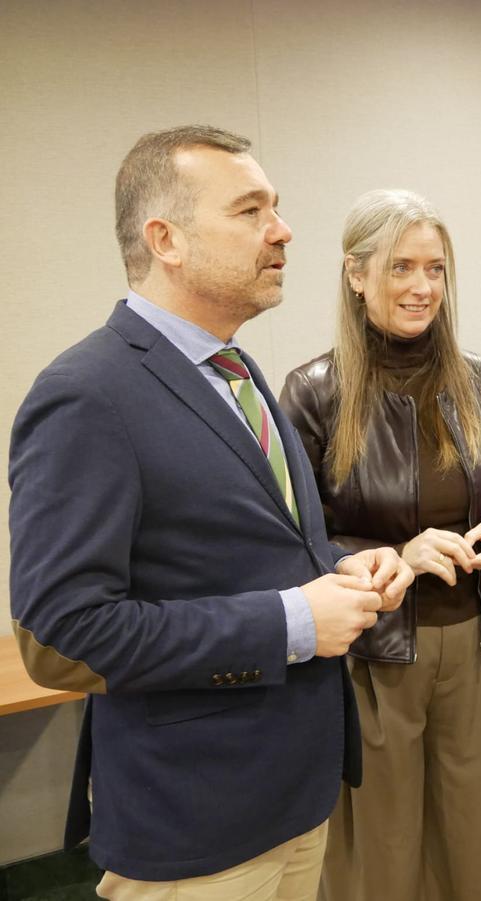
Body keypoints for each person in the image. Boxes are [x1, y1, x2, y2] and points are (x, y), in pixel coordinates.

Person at [8, 125, 413, 900]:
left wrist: (339, 568)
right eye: (251, 210)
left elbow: (254, 551)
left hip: (296, 794)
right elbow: (61, 636)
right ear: (166, 239)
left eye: (277, 207)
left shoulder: (234, 367)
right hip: (197, 823)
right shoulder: (87, 393)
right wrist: (294, 620)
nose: (283, 229)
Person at [280, 188, 481, 901]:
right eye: (401, 267)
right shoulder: (313, 392)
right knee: (381, 857)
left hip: (478, 642)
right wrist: (399, 553)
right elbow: (296, 542)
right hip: (374, 654)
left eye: (436, 268)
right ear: (357, 274)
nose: (423, 287)